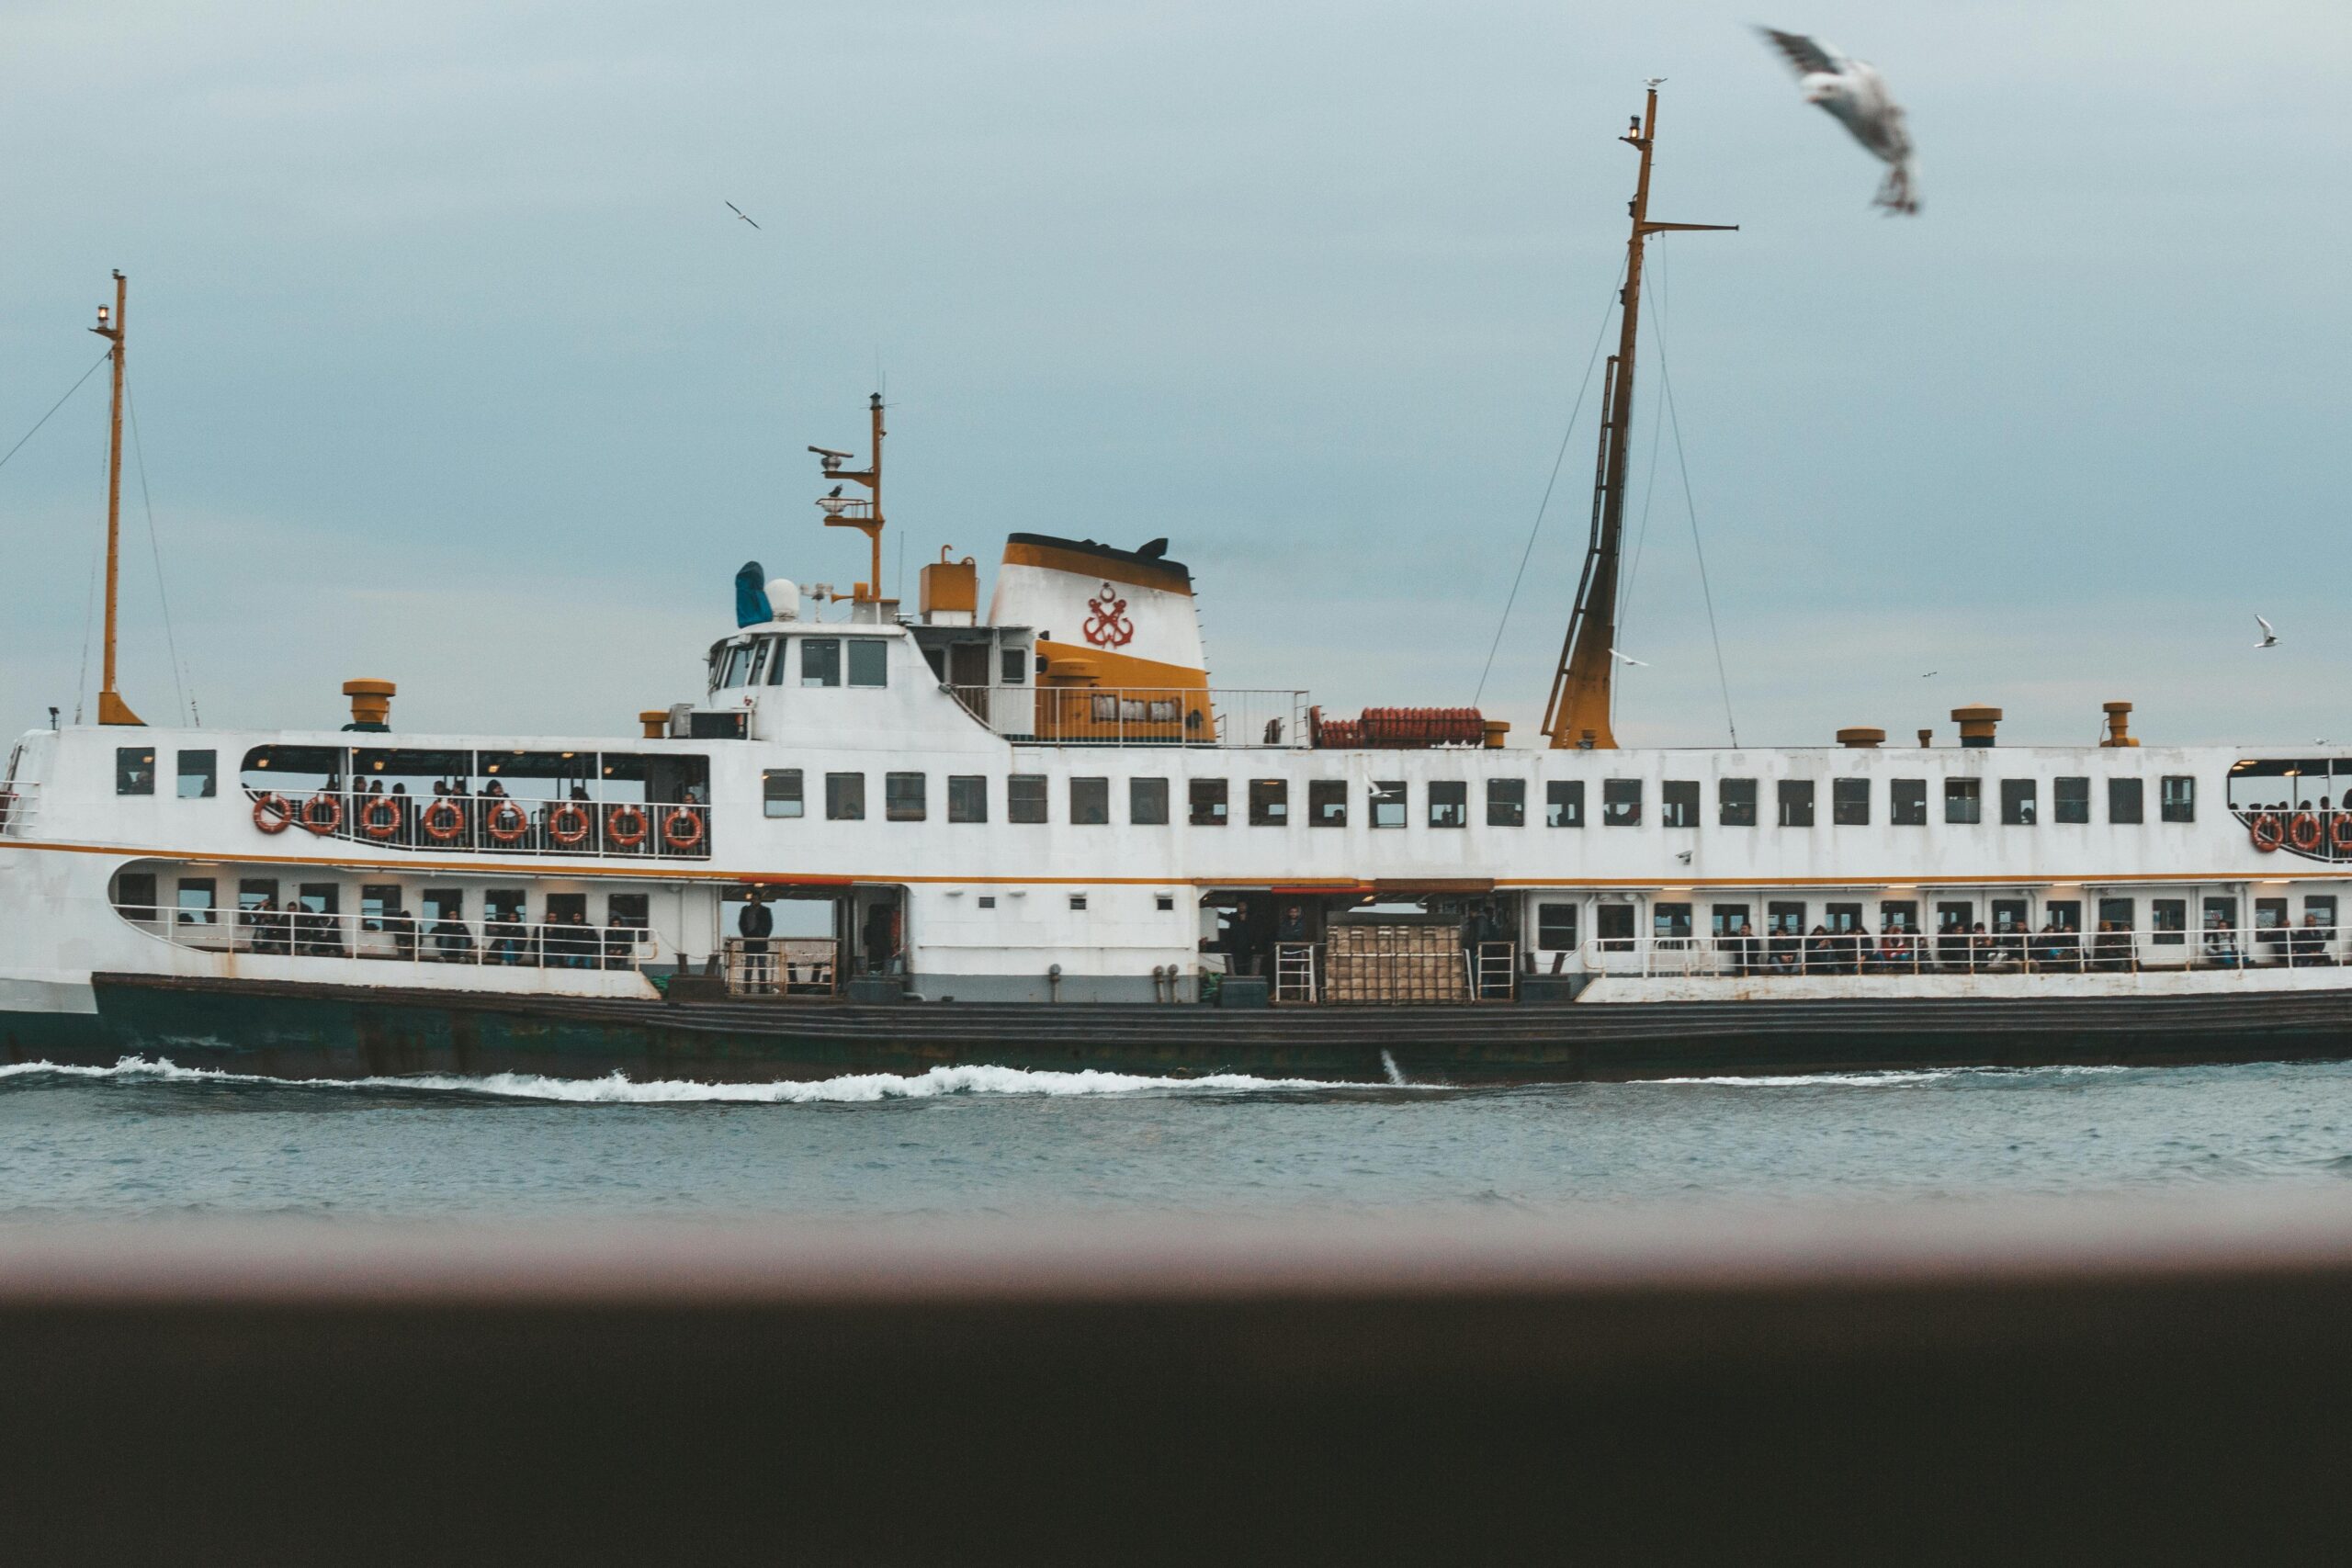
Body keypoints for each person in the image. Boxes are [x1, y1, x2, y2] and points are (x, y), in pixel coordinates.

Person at [738, 890, 775, 992]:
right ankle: (747, 988)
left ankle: (763, 988)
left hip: (761, 941)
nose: (754, 901)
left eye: (756, 899)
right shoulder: (745, 910)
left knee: (762, 965)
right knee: (748, 966)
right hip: (750, 940)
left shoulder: (766, 910)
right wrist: (746, 935)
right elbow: (741, 923)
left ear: (759, 900)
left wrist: (763, 935)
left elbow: (769, 925)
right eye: (752, 899)